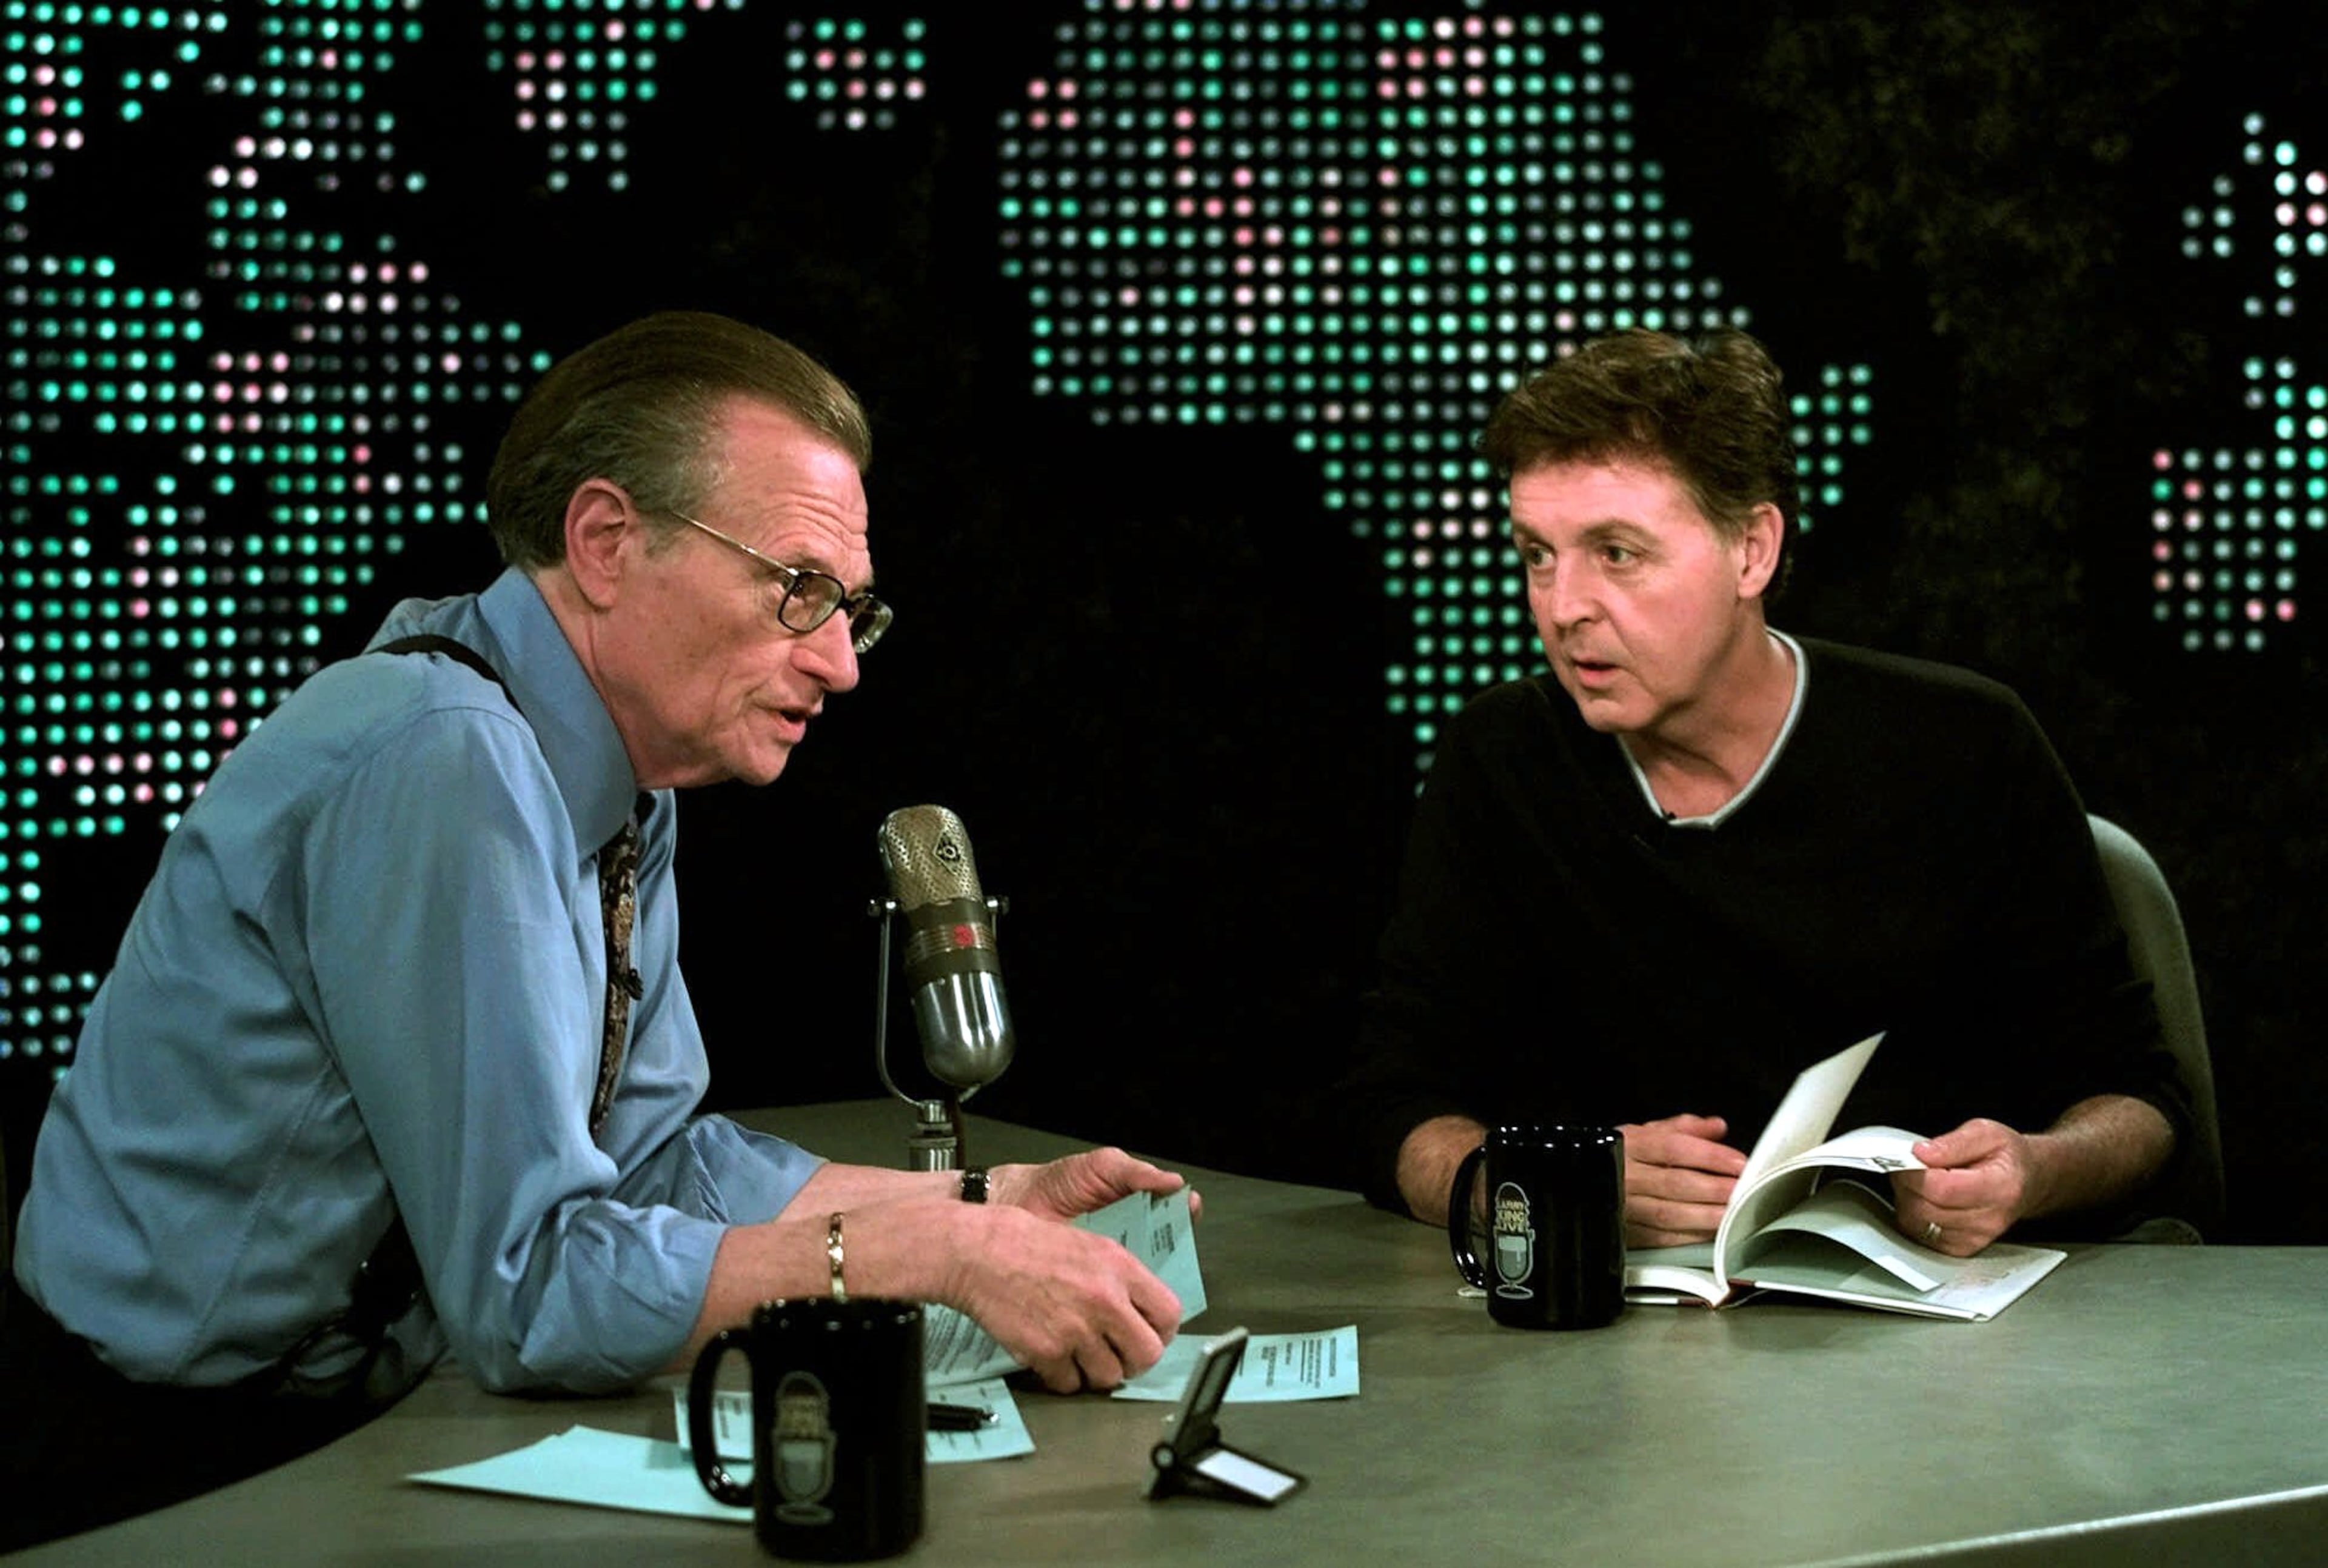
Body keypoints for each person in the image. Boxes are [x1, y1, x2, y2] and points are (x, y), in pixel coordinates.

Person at [4, 311, 1189, 1548]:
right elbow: (527, 1289)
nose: (840, 662)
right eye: (798, 589)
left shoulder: (618, 784)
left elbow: (647, 1162)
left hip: (341, 1421)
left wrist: (975, 1208)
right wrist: (909, 1256)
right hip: (159, 1470)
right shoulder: (446, 756)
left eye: (851, 607)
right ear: (608, 541)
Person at [1338, 327, 2190, 1255]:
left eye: (1616, 553)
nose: (1561, 603)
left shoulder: (1967, 748)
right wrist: (1545, 1180)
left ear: (1753, 550)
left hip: (1938, 1356)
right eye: (1538, 554)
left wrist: (2030, 1169)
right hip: (1606, 1362)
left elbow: (2142, 1104)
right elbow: (1390, 1105)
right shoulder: (1500, 762)